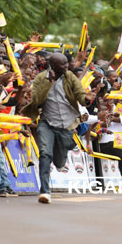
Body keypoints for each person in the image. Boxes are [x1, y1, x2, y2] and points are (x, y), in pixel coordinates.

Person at [20, 52, 95, 204]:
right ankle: (45, 191)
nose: (67, 66)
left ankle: (64, 152)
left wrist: (86, 99)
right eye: (63, 64)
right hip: (47, 122)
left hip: (67, 124)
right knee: (45, 153)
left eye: (67, 63)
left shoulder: (70, 77)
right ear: (53, 65)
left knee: (60, 162)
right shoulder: (41, 78)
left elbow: (80, 94)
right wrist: (49, 82)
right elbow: (36, 100)